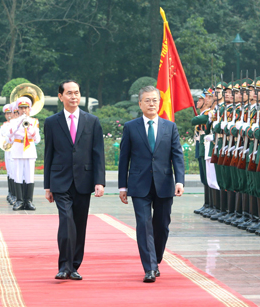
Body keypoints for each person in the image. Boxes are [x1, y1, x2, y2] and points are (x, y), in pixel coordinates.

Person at [118, 85, 185, 283]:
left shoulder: (169, 126)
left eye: (154, 100)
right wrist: (123, 186)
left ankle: (156, 257)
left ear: (159, 102)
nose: (151, 104)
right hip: (139, 185)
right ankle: (149, 267)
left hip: (164, 183)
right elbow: (124, 159)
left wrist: (179, 180)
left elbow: (177, 155)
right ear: (140, 104)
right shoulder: (131, 127)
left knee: (162, 226)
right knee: (144, 225)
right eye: (147, 100)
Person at [44, 80, 105, 281]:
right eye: (69, 93)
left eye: (76, 93)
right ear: (60, 96)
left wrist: (99, 181)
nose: (73, 97)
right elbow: (48, 154)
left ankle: (75, 266)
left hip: (84, 180)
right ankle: (64, 266)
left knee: (79, 224)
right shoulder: (52, 122)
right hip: (60, 181)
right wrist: (47, 185)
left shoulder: (92, 121)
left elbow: (98, 154)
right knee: (66, 221)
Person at [8, 97, 40, 211]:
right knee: (17, 175)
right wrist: (19, 124)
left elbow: (37, 139)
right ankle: (19, 201)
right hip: (17, 149)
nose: (23, 110)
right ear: (18, 109)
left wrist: (30, 128)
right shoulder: (13, 122)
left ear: (29, 109)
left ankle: (28, 201)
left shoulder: (34, 121)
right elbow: (9, 136)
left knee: (29, 176)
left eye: (25, 108)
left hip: (29, 150)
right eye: (21, 108)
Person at [0, 104, 15, 205]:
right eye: (6, 113)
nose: (8, 115)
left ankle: (16, 195)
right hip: (7, 150)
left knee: (15, 173)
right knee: (10, 172)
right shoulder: (4, 126)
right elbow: (1, 138)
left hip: (16, 150)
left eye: (10, 113)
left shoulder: (16, 124)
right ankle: (11, 193)